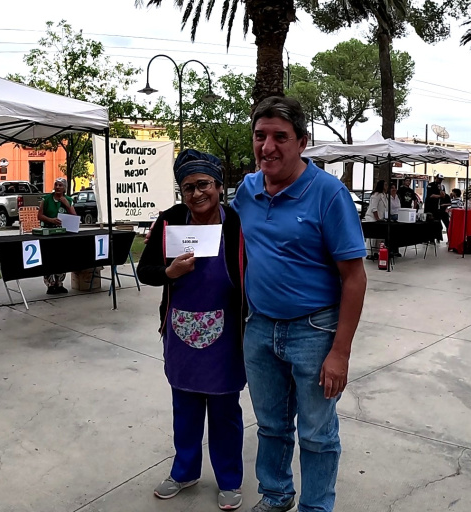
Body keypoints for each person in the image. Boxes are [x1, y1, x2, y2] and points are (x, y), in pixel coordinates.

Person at [232, 96, 367, 512]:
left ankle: (315, 507)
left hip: (315, 331)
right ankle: (276, 494)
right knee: (271, 426)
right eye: (260, 135)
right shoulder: (248, 190)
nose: (268, 146)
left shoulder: (329, 194)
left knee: (316, 433)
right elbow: (220, 234)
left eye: (280, 137)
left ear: (302, 142)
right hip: (260, 328)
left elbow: (355, 278)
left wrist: (340, 353)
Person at [138, 149, 247, 511]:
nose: (197, 193)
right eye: (188, 188)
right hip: (180, 329)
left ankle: (229, 479)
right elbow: (145, 271)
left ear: (219, 186)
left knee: (225, 411)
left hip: (226, 335)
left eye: (203, 184)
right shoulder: (170, 221)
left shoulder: (236, 224)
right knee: (184, 406)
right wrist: (169, 272)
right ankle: (184, 472)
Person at [37, 178, 76, 294]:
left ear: (65, 188)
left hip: (62, 233)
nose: (58, 187)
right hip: (48, 232)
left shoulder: (69, 200)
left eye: (60, 185)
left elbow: (74, 217)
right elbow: (39, 215)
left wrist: (67, 205)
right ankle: (50, 284)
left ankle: (59, 283)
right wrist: (51, 220)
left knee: (61, 258)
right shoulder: (46, 199)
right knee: (48, 258)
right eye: (56, 185)